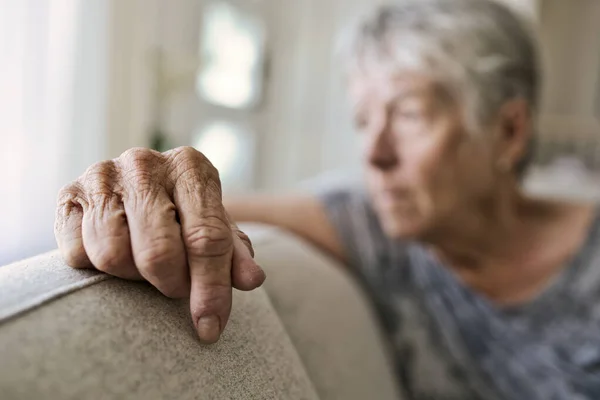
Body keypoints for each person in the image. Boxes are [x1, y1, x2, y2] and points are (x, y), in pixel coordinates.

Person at [54, 0, 600, 398]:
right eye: (364, 120)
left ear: (507, 132)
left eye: (408, 114)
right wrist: (140, 184)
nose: (375, 154)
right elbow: (193, 204)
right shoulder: (377, 225)